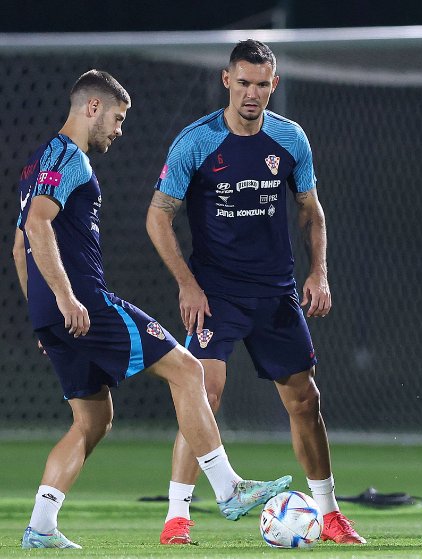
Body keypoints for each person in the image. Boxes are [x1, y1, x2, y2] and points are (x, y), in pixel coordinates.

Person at [13, 69, 291, 550]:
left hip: (53, 312)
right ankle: (229, 489)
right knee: (188, 370)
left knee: (92, 421)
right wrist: (65, 298)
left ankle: (39, 527)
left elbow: (20, 248)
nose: (119, 131)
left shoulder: (38, 162)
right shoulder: (69, 157)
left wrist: (43, 311)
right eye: (117, 119)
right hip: (84, 303)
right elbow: (38, 227)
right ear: (93, 108)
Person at [146, 39, 364, 546]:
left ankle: (330, 515)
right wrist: (187, 283)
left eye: (262, 84)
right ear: (227, 80)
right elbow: (158, 217)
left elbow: (311, 210)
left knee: (305, 401)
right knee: (203, 395)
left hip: (276, 293)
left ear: (274, 84)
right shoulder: (195, 142)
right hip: (216, 294)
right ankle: (177, 518)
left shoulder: (290, 139)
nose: (252, 93)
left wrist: (320, 273)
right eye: (243, 82)